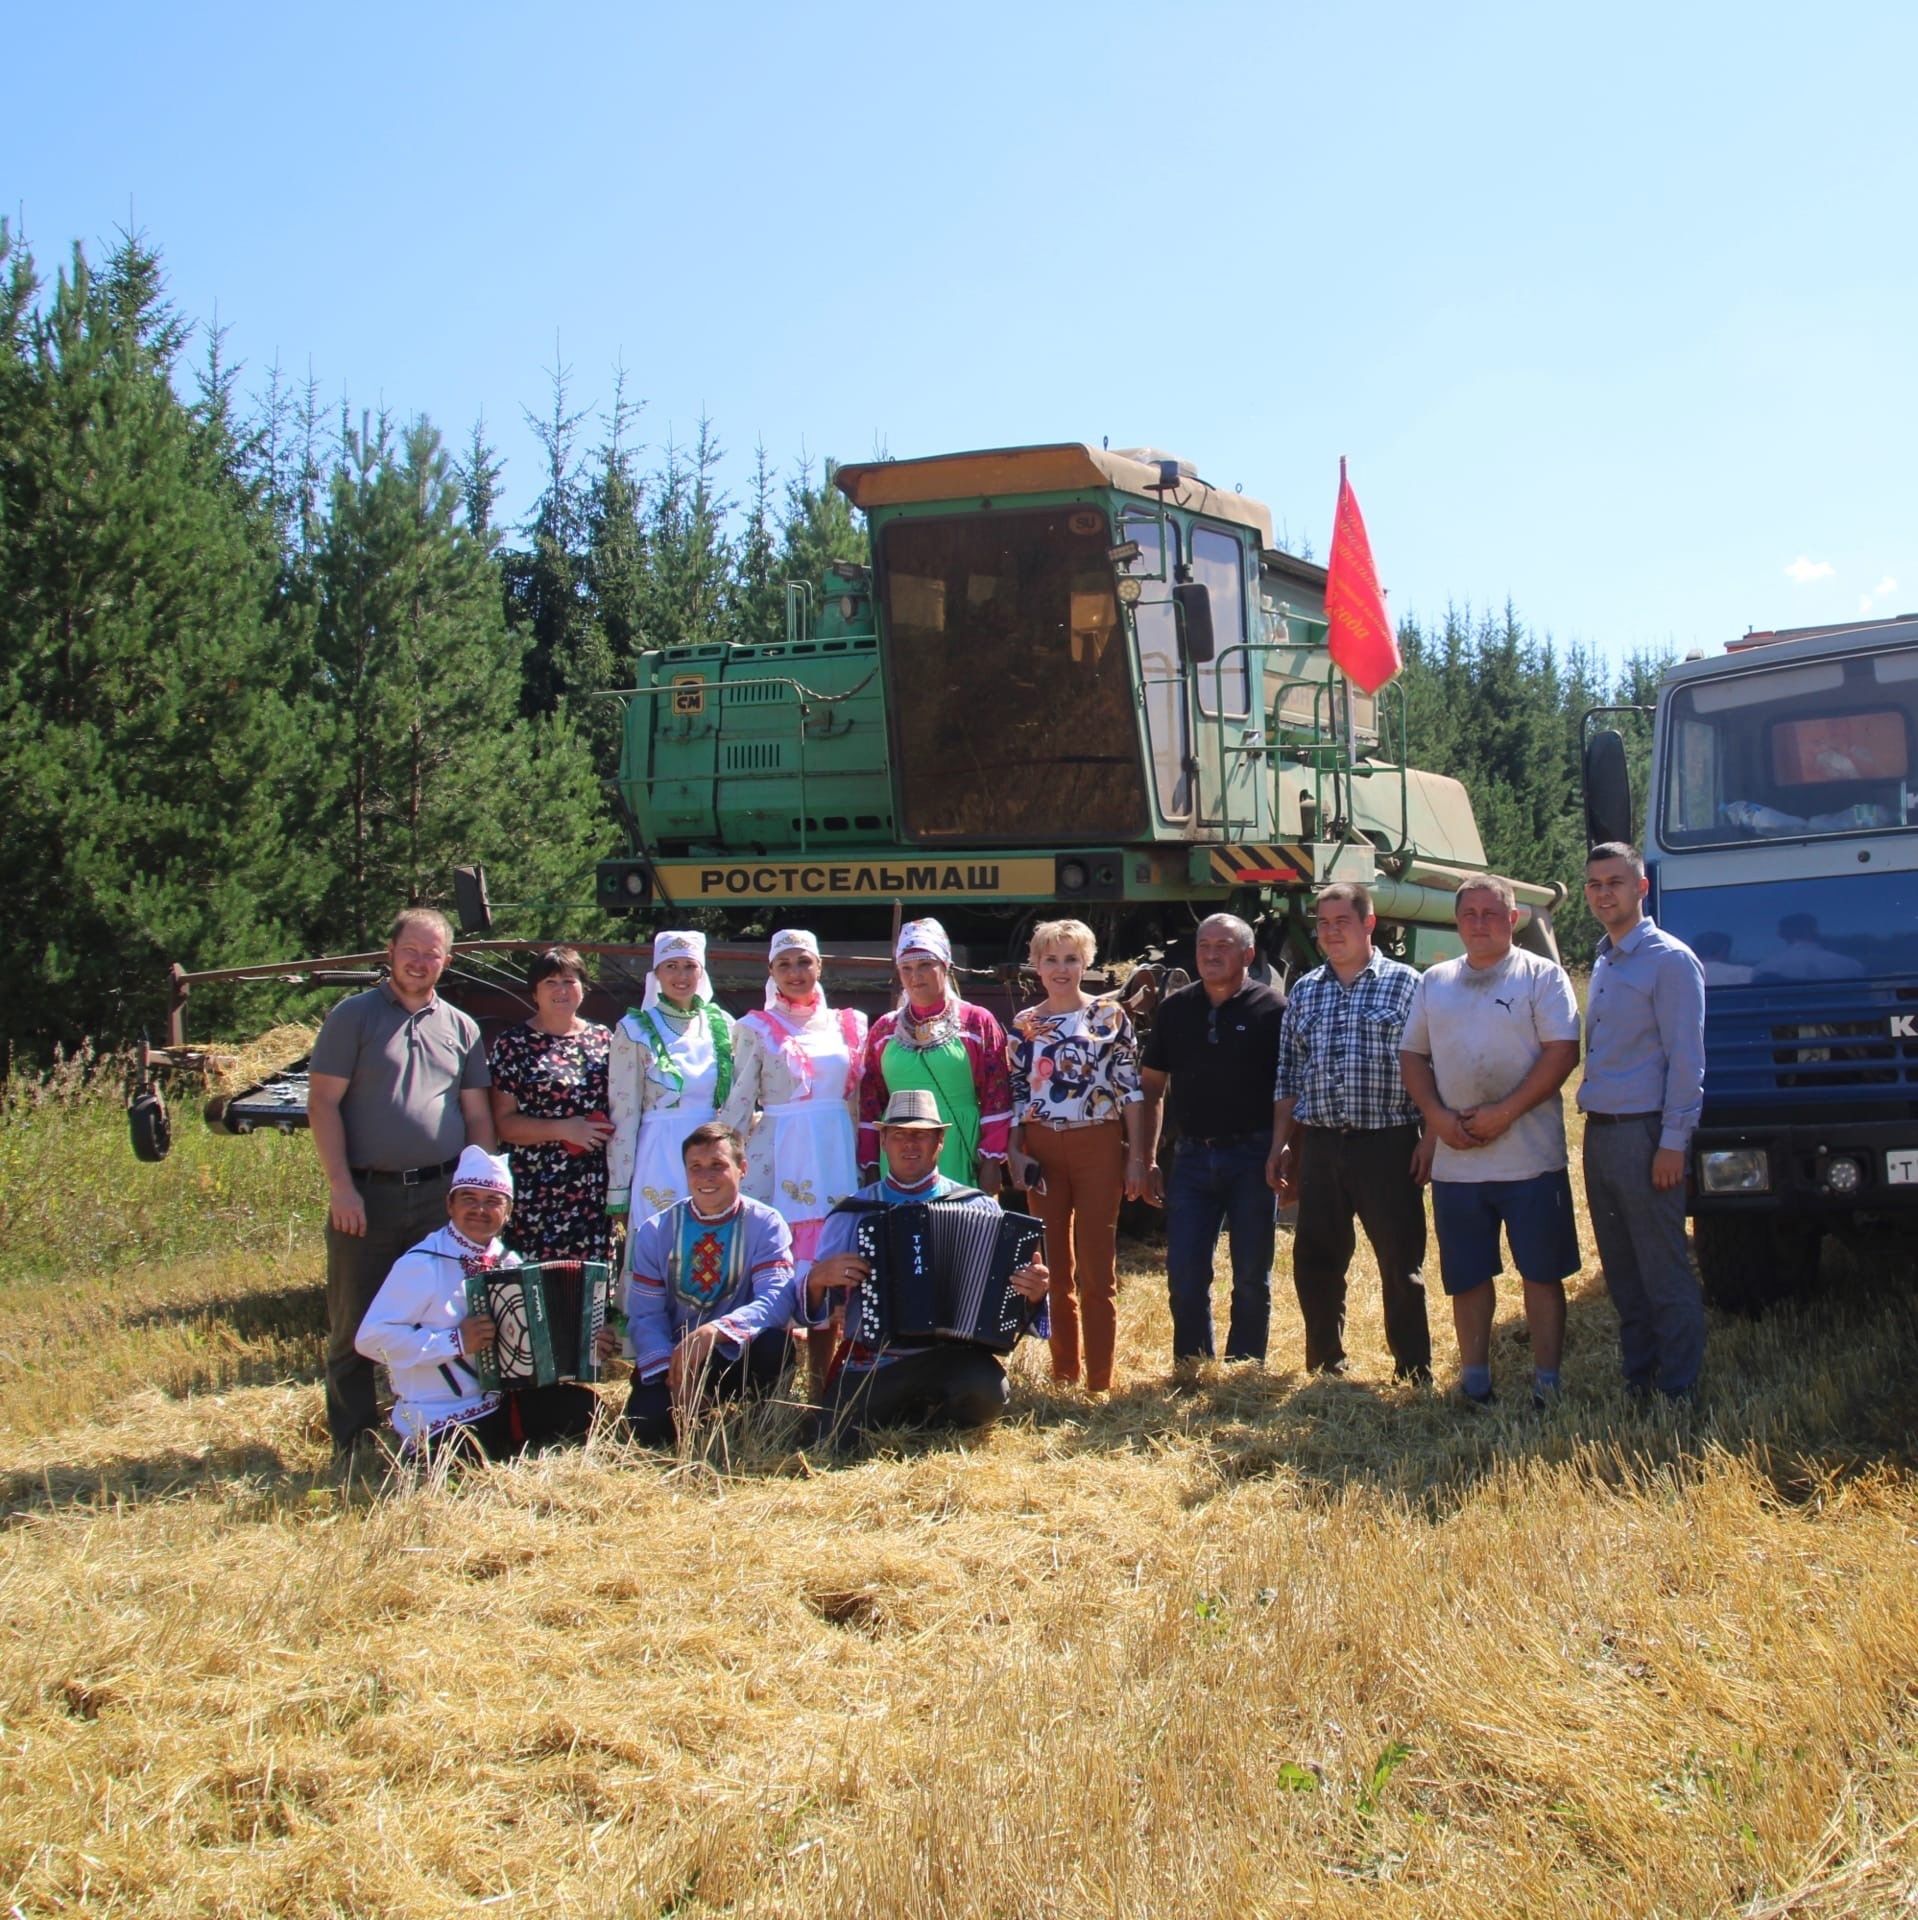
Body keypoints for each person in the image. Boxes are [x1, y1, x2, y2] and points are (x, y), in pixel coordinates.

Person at [307, 907, 495, 1461]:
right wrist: (341, 1187)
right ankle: (355, 1441)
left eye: (431, 953)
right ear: (390, 953)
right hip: (369, 1196)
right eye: (410, 950)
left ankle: (436, 1429)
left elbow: (477, 1116)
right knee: (356, 1320)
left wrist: (481, 1192)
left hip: (442, 1199)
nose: (420, 962)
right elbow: (322, 1104)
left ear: (448, 961)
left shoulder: (461, 1027)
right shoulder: (354, 1017)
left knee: (444, 1316)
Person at [1398, 876, 1582, 1406]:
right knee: (1468, 1277)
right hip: (1459, 1166)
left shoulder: (1542, 977)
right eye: (1469, 914)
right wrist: (1436, 1117)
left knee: (1542, 1275)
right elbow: (1412, 1056)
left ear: (1514, 919)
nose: (1479, 923)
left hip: (1530, 1159)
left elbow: (1563, 1052)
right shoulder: (1435, 982)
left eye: (1491, 913)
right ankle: (1475, 1382)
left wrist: (1505, 1113)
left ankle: (1547, 1383)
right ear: (1456, 923)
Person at [803, 1090, 1049, 1448]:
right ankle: (910, 1414)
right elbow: (816, 1309)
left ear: (940, 1141)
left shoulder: (979, 1207)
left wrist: (1035, 1293)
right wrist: (818, 1280)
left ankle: (924, 1417)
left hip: (953, 1359)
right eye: (899, 1135)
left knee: (987, 1393)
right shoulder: (851, 1214)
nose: (909, 1145)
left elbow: (1009, 1311)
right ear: (883, 1141)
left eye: (921, 1134)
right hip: (875, 1361)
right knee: (830, 1436)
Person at [1267, 883, 1432, 1382]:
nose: (1331, 932)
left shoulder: (1407, 985)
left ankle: (1412, 1368)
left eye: (1342, 921)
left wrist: (1432, 1137)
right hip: (1319, 1144)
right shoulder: (1305, 989)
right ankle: (1325, 1364)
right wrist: (1281, 1144)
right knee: (1316, 1259)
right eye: (1323, 923)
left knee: (1400, 1264)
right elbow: (1289, 1074)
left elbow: (1433, 1065)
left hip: (1388, 1142)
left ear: (1368, 924)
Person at [354, 1146, 598, 1461]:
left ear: (508, 1212)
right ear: (449, 1205)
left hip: (499, 1401)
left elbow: (529, 1347)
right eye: (469, 1199)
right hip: (437, 1411)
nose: (479, 1210)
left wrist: (584, 1344)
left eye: (492, 1202)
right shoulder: (422, 1264)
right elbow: (370, 1339)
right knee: (467, 1460)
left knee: (588, 1412)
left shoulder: (509, 1261)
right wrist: (454, 1341)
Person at [1578, 842, 1708, 1399]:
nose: (1605, 893)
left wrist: (1673, 1144)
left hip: (1645, 1133)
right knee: (1623, 1273)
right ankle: (1640, 1381)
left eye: (1615, 882)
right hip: (1600, 1132)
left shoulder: (1669, 960)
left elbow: (1687, 1060)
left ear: (1641, 887)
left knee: (1662, 1270)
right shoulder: (1606, 958)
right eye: (1595, 885)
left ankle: (1678, 1391)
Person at [1137, 914, 1287, 1364]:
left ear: (1248, 954)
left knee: (1249, 1276)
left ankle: (1245, 1366)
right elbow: (1151, 1088)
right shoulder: (1176, 1009)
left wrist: (1282, 1147)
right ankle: (1192, 1363)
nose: (1211, 954)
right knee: (1184, 1274)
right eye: (1204, 945)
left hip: (1253, 1156)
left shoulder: (1273, 1010)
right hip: (1192, 1159)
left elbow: (1288, 1087)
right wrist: (1146, 1158)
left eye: (1223, 945)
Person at [1006, 917, 1147, 1391]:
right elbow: (1017, 1096)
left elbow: (1129, 1090)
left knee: (1096, 1265)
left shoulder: (1110, 1017)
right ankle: (1064, 1373)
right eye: (1052, 959)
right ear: (1036, 965)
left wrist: (1135, 1158)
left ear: (1086, 963)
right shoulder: (1024, 1025)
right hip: (1042, 1146)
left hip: (1097, 1144)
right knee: (1053, 1268)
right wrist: (1014, 1152)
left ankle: (1100, 1381)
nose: (1062, 968)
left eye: (1071, 958)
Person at [614, 1123, 799, 1445]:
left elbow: (777, 1298)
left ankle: (756, 1427)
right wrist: (672, 1375)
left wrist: (715, 1332)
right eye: (695, 1168)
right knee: (647, 1426)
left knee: (775, 1347)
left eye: (718, 1166)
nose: (706, 1177)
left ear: (742, 1169)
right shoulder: (655, 1230)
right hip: (673, 1355)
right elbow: (646, 1315)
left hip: (734, 1350)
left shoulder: (766, 1223)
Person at [720, 928, 867, 1288]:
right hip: (782, 1147)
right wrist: (724, 1158)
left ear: (819, 966)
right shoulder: (754, 1028)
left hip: (836, 1146)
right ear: (771, 972)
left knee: (837, 1239)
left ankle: (826, 1335)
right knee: (776, 1248)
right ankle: (776, 1336)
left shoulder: (850, 1024)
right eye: (783, 964)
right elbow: (738, 1101)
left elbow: (860, 1099)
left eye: (803, 962)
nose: (795, 972)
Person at [856, 918, 1012, 1191]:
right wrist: (870, 1163)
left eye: (925, 965)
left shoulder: (976, 1022)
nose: (915, 976)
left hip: (960, 1146)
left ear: (946, 965)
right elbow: (870, 1101)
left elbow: (996, 1095)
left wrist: (991, 1161)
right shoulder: (884, 1029)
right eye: (906, 968)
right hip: (898, 1151)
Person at [488, 947, 615, 1263]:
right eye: (550, 982)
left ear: (583, 988)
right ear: (534, 992)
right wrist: (564, 1130)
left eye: (569, 981)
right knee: (534, 1290)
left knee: (588, 1290)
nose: (561, 990)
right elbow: (503, 1123)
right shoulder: (513, 1044)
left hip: (594, 1189)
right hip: (536, 1189)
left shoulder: (605, 1039)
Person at [607, 929, 737, 1224]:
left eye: (690, 966)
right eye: (671, 966)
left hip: (713, 1151)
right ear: (657, 974)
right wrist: (619, 1189)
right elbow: (623, 1112)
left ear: (701, 972)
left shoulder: (723, 1025)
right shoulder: (634, 1029)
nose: (682, 975)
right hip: (659, 1151)